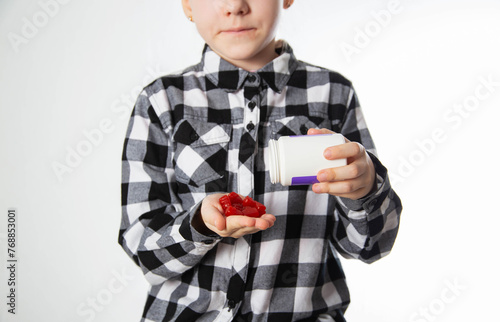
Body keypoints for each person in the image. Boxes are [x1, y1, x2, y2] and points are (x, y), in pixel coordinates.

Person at [119, 0, 403, 321]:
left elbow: (370, 247)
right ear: (187, 5)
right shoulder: (160, 101)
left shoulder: (333, 94)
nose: (235, 6)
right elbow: (144, 250)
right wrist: (199, 224)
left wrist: (365, 190)